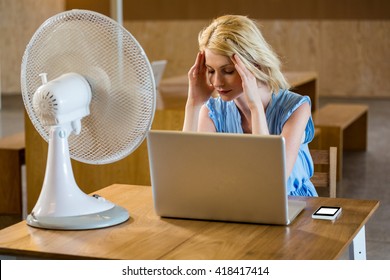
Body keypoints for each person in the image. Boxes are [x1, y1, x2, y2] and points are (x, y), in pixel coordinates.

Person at [182, 15, 317, 196]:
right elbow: (188, 174)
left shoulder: (296, 108)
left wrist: (255, 106)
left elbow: (271, 180)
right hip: (238, 206)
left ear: (255, 66)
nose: (217, 82)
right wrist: (193, 103)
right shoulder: (212, 111)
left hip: (294, 208)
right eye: (211, 71)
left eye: (227, 71)